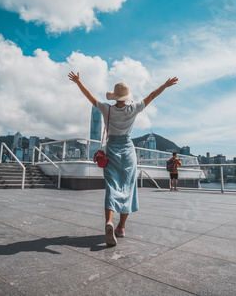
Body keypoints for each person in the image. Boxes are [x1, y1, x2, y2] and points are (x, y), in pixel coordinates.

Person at [69, 71, 178, 246]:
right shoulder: (133, 108)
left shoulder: (107, 108)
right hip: (127, 150)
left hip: (111, 148)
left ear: (114, 96)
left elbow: (89, 96)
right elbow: (151, 96)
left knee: (112, 186)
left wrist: (78, 82)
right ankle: (120, 227)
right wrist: (165, 85)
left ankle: (109, 222)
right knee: (128, 187)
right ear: (127, 97)